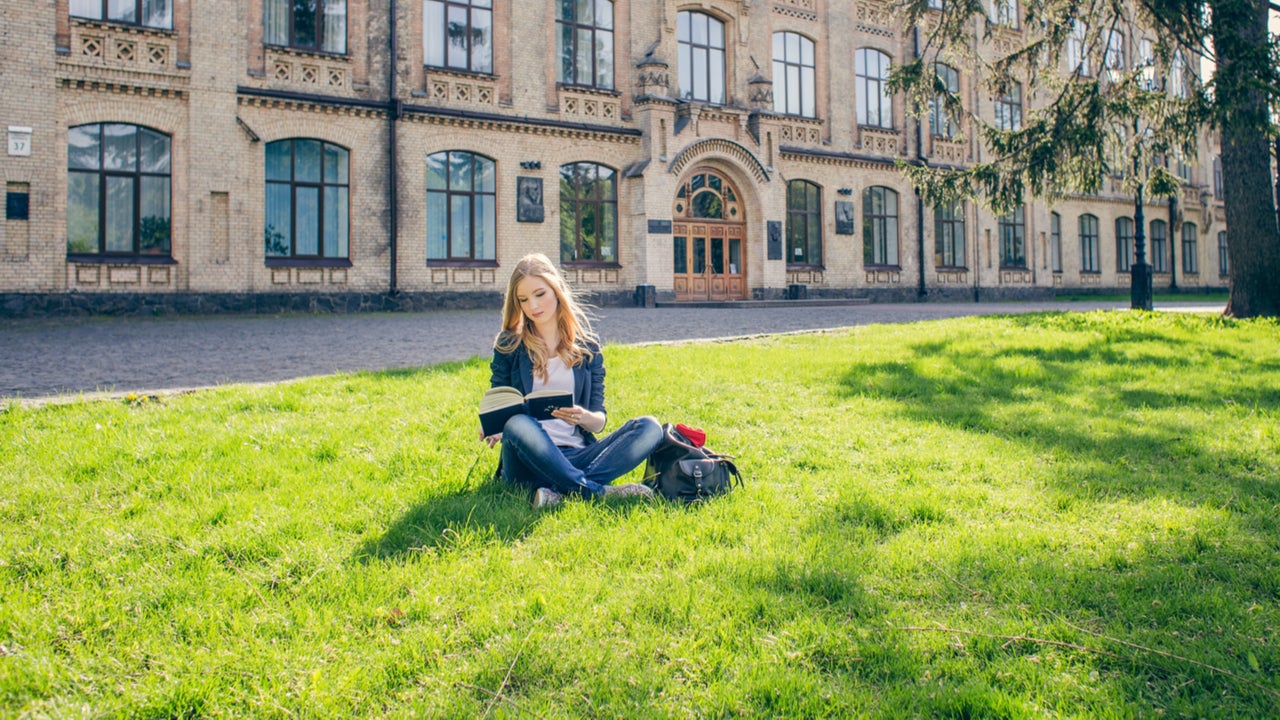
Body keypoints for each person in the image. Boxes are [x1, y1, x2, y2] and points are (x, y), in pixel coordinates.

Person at [484, 253, 663, 508]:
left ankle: (556, 492)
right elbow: (499, 402)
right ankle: (594, 492)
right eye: (523, 300)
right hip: (526, 461)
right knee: (518, 422)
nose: (533, 306)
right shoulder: (509, 344)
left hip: (576, 455)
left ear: (556, 290)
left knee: (649, 427)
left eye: (539, 294)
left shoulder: (588, 348)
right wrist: (495, 425)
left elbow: (599, 421)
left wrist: (583, 417)